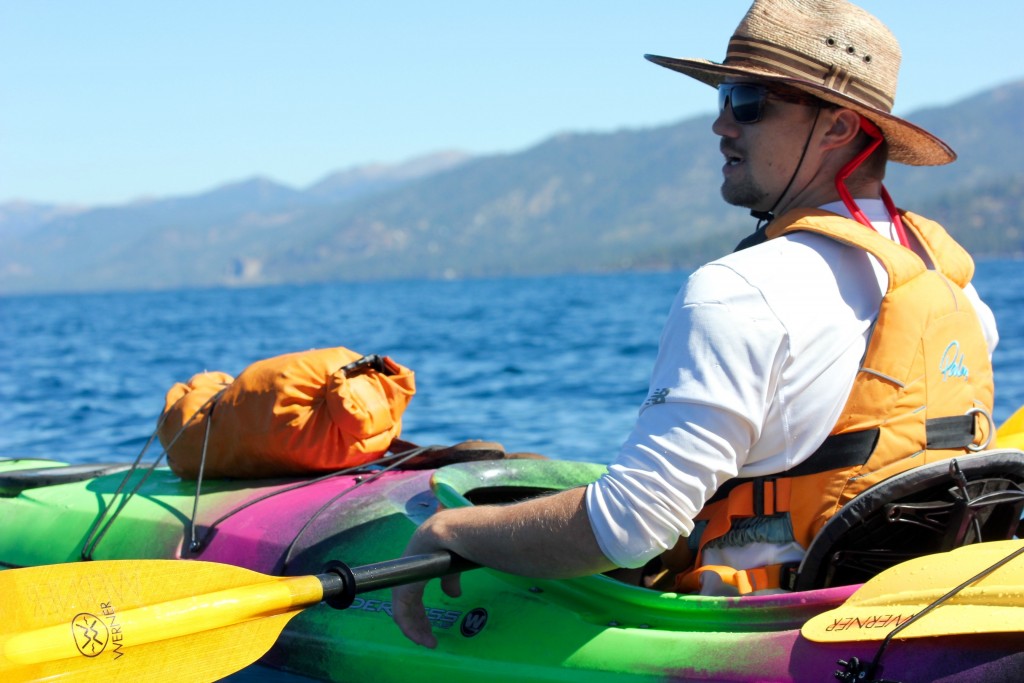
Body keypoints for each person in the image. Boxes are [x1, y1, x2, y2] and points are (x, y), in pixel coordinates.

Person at [392, 0, 999, 648]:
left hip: (772, 635)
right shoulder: (954, 284)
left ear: (839, 127)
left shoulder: (738, 291)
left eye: (746, 100)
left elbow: (632, 525)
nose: (720, 123)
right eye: (722, 96)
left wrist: (447, 533)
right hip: (919, 617)